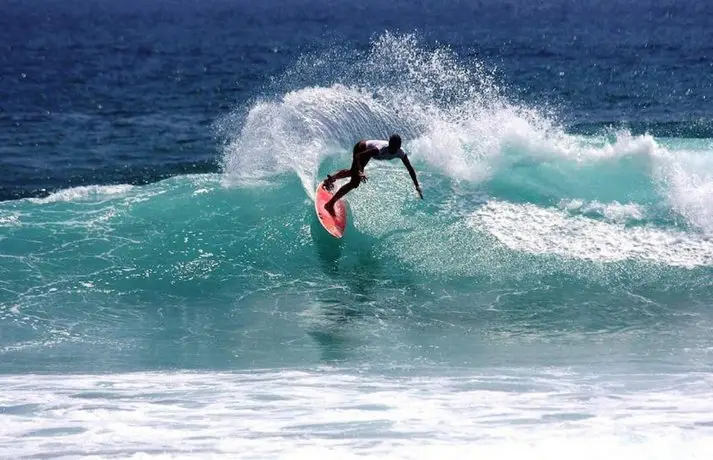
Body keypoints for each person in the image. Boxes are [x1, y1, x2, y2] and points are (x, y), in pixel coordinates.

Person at [322, 134, 423, 215]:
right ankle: (329, 204)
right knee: (355, 182)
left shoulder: (400, 153)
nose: (393, 151)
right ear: (389, 144)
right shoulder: (379, 149)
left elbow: (410, 169)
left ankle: (331, 180)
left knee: (353, 172)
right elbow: (358, 156)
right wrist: (361, 171)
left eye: (396, 149)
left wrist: (416, 185)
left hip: (367, 154)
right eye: (392, 148)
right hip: (361, 148)